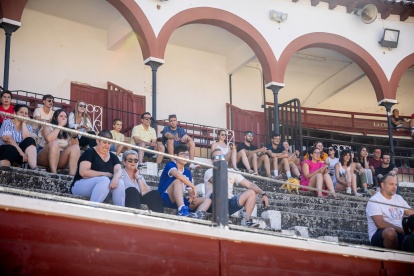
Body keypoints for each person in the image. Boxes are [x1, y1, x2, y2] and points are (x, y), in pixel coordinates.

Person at [204, 149, 269, 227]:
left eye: (222, 156)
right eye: (217, 157)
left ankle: (246, 221)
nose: (221, 158)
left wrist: (264, 194)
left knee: (252, 192)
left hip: (228, 203)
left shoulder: (231, 172)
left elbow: (249, 184)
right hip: (212, 203)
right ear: (212, 161)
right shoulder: (209, 171)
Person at [71, 130, 124, 205]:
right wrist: (104, 174)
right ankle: (92, 210)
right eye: (104, 142)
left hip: (103, 189)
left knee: (120, 183)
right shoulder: (90, 152)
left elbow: (119, 170)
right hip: (81, 186)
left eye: (109, 143)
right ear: (97, 140)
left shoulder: (113, 157)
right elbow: (83, 172)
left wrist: (115, 178)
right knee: (105, 180)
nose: (106, 146)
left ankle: (120, 212)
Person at [158, 145, 211, 218]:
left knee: (207, 200)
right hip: (166, 198)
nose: (186, 157)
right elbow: (177, 175)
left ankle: (197, 216)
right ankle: (181, 211)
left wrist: (192, 196)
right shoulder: (170, 165)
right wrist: (194, 187)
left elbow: (190, 191)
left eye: (187, 154)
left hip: (179, 200)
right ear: (175, 156)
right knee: (178, 181)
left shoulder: (187, 172)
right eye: (183, 154)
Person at [366, 175, 414, 250]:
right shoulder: (374, 200)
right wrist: (405, 231)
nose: (395, 187)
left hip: (401, 234)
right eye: (391, 184)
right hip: (380, 235)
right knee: (390, 233)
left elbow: (412, 213)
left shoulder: (398, 198)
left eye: (395, 184)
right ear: (382, 185)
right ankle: (394, 258)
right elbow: (380, 224)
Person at [37, 109, 80, 175]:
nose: (64, 118)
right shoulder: (47, 126)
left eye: (65, 117)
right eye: (61, 116)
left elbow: (74, 147)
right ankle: (54, 173)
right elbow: (49, 140)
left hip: (59, 158)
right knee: (54, 143)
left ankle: (72, 175)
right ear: (55, 118)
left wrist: (74, 136)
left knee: (76, 147)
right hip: (44, 156)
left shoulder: (67, 131)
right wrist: (59, 126)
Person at [0, 104, 40, 171]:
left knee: (30, 140)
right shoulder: (7, 122)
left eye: (26, 113)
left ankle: (34, 167)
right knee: (12, 148)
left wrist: (24, 123)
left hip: (22, 156)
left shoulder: (28, 127)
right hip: (6, 150)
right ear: (15, 113)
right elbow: (7, 138)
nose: (24, 115)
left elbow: (28, 140)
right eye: (21, 112)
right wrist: (21, 152)